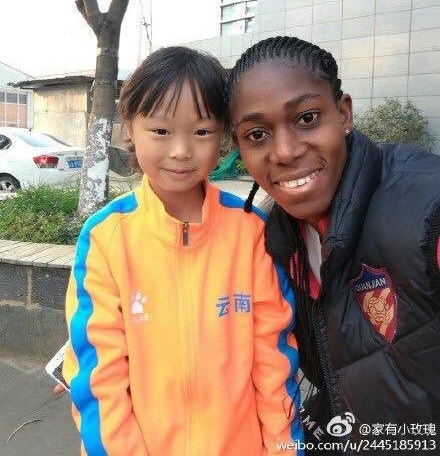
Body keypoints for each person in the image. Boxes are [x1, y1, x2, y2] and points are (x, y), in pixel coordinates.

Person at [62, 46, 304, 455]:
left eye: (202, 132)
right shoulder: (105, 237)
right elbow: (98, 377)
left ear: (222, 135)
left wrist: (285, 449)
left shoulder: (251, 232)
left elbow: (274, 362)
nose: (180, 150)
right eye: (161, 131)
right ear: (129, 126)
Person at [226, 35, 440, 451]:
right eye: (257, 134)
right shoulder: (276, 234)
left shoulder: (426, 213)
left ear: (343, 113)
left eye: (307, 118)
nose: (284, 151)